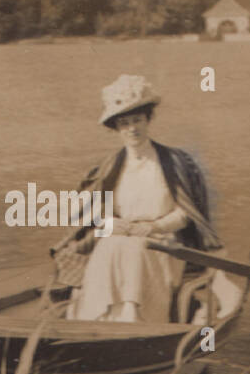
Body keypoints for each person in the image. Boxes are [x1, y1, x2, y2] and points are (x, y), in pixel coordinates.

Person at [56, 74, 223, 323]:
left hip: (165, 241)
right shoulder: (109, 166)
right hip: (122, 236)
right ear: (117, 129)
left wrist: (152, 227)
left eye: (137, 120)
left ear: (148, 120)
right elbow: (93, 212)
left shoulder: (176, 162)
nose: (132, 128)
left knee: (134, 248)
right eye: (124, 123)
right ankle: (99, 318)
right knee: (109, 244)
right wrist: (112, 223)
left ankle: (134, 317)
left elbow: (186, 213)